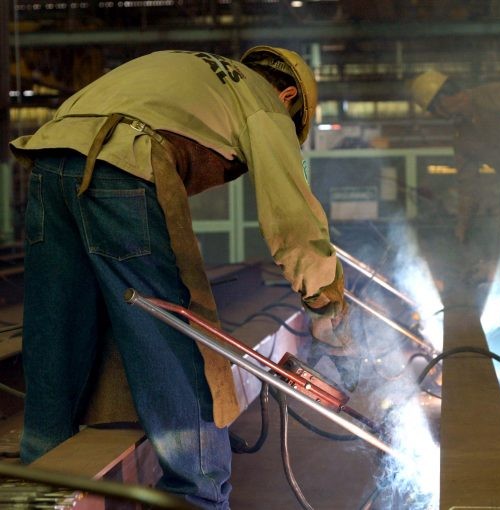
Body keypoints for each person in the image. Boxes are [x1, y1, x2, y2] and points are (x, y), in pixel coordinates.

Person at [10, 46, 350, 509]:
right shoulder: (264, 102)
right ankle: (198, 495)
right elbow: (291, 214)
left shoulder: (193, 70)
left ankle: (42, 481)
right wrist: (324, 298)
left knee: (57, 329)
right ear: (288, 94)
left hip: (51, 161)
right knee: (174, 330)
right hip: (121, 162)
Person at [410, 70, 500, 248]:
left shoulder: (496, 94)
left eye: (434, 110)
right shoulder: (462, 137)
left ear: (441, 102)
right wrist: (462, 228)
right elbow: (468, 188)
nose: (438, 115)